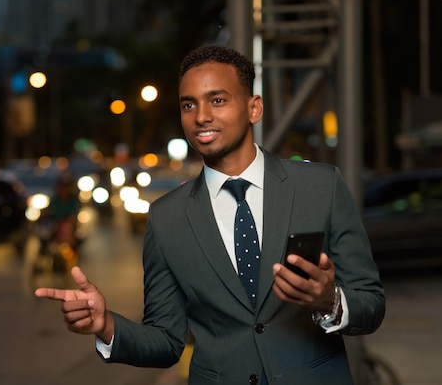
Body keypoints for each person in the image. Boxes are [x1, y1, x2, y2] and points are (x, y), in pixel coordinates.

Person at [35, 45, 385, 385]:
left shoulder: (321, 187)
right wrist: (107, 325)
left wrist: (329, 301)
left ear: (254, 108)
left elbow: (371, 304)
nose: (201, 116)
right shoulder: (166, 217)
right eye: (189, 104)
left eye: (217, 100)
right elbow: (166, 340)